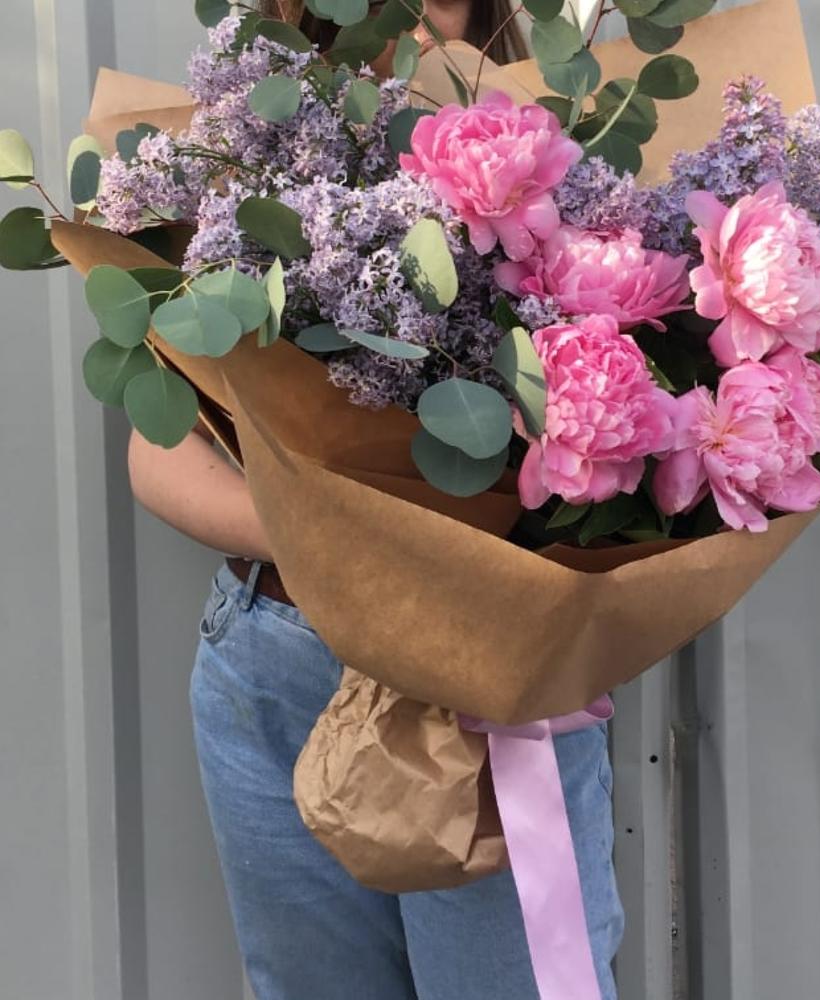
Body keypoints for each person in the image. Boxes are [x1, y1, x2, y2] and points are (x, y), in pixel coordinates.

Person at [127, 2, 624, 997]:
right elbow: (159, 454)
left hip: (477, 675)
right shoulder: (239, 161)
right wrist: (348, 540)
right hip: (274, 657)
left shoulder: (568, 147)